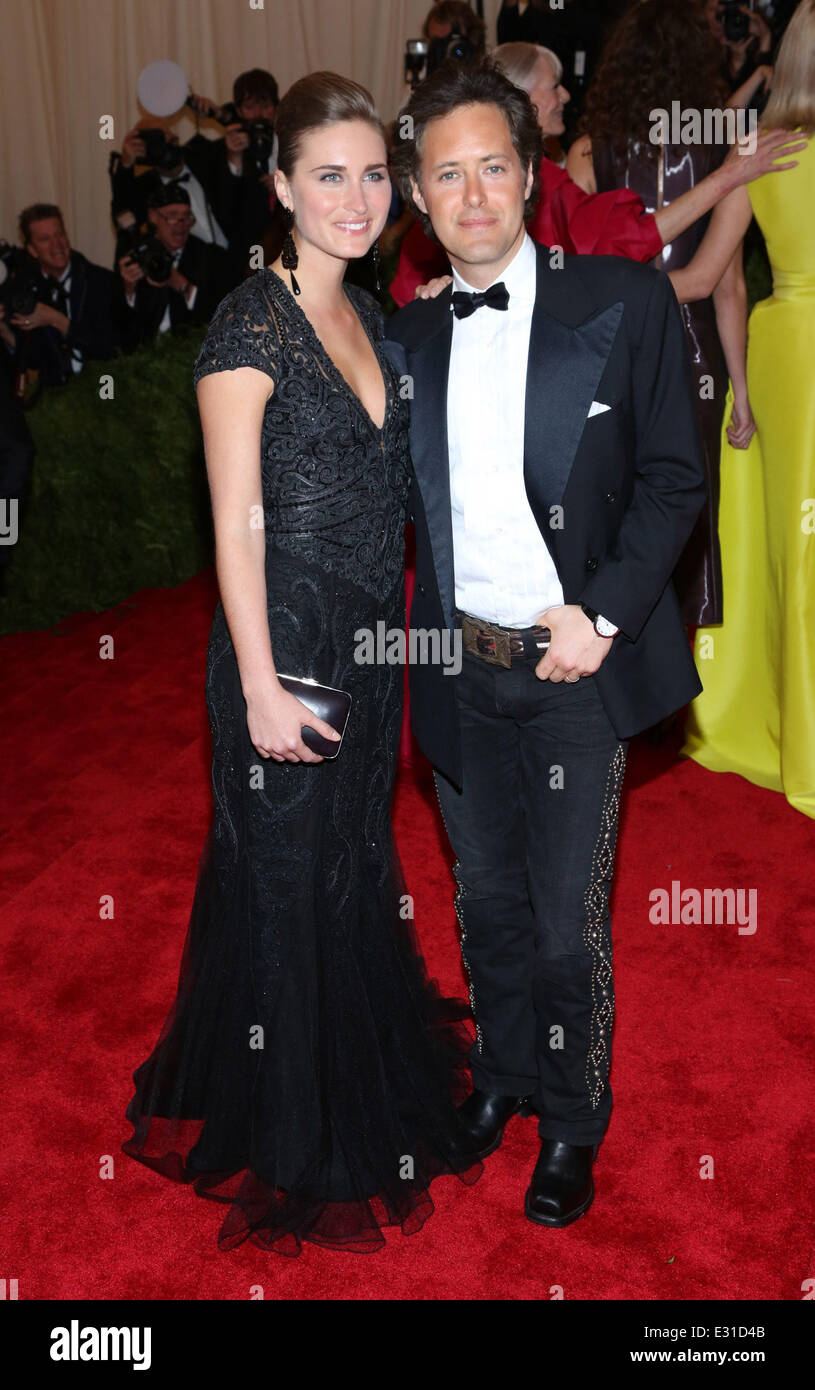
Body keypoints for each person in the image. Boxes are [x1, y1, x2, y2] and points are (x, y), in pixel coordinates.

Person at [122, 72, 482, 1256]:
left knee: (350, 862)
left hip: (371, 657)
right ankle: (294, 1129)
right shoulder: (249, 323)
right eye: (326, 175)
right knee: (286, 879)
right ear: (278, 187)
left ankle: (349, 1073)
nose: (356, 196)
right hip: (288, 663)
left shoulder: (373, 312)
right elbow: (234, 524)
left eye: (374, 173)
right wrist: (262, 683)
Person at [385, 57, 707, 1228]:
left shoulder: (620, 303)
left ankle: (570, 1119)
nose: (471, 195)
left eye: (491, 168)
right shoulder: (407, 340)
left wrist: (604, 614)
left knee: (566, 921)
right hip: (455, 668)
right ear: (418, 201)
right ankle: (507, 1075)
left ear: (528, 175)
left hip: (571, 668)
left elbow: (675, 479)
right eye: (445, 176)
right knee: (484, 903)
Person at [567, 0, 750, 625]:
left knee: (610, 523)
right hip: (693, 359)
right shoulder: (726, 153)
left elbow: (575, 275)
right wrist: (743, 393)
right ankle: (671, 703)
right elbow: (722, 285)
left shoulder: (588, 153)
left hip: (607, 360)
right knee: (682, 525)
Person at [678, 0, 815, 818]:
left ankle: (782, 722)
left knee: (783, 549)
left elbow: (700, 280)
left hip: (779, 354)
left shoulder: (758, 151)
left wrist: (580, 287)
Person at [389, 39, 806, 307]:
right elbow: (637, 237)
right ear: (523, 99)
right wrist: (727, 177)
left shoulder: (551, 172)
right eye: (554, 86)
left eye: (495, 168)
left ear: (526, 176)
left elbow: (630, 237)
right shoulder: (547, 179)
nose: (565, 95)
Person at [7, 204, 118, 387]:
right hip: (56, 398)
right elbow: (32, 360)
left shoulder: (101, 281)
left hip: (105, 386)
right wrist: (4, 332)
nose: (56, 244)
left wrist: (57, 320)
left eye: (59, 234)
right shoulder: (25, 289)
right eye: (45, 239)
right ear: (32, 250)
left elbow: (109, 348)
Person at [115, 183, 230, 350]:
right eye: (172, 216)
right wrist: (129, 291)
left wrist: (181, 285)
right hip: (145, 358)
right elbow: (119, 325)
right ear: (153, 216)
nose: (181, 224)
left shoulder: (211, 258)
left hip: (191, 356)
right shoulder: (137, 255)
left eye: (186, 216)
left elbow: (221, 320)